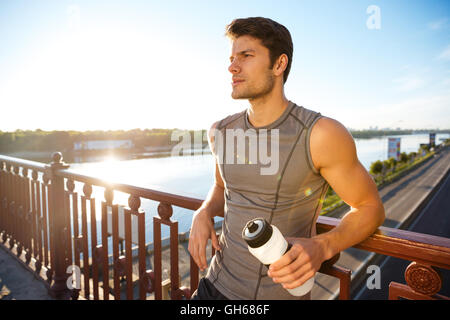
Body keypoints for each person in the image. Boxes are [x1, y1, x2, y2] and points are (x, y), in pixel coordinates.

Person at [189, 17, 385, 300]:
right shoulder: (220, 131)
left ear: (279, 65)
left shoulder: (321, 134)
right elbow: (222, 188)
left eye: (246, 56)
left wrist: (324, 246)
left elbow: (370, 207)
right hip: (213, 287)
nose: (232, 67)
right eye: (232, 58)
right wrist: (204, 211)